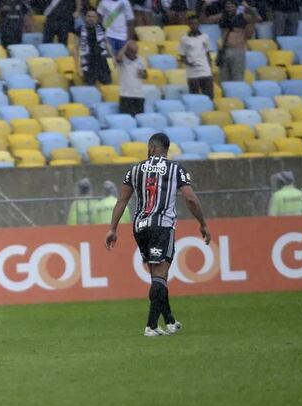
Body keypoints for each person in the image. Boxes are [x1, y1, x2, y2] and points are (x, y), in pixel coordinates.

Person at [105, 133, 211, 336]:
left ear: (152, 148)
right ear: (165, 149)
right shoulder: (176, 169)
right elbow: (190, 199)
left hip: (140, 227)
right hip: (162, 225)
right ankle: (151, 326)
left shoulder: (134, 170)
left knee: (157, 275)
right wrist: (203, 224)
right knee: (161, 275)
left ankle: (169, 321)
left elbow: (122, 200)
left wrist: (113, 229)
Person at [202, 0, 260, 83]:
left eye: (232, 6)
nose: (229, 9)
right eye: (227, 7)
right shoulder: (222, 16)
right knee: (223, 79)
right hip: (224, 50)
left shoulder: (242, 16)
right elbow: (204, 20)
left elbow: (258, 18)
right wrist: (204, 6)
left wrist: (248, 7)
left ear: (236, 7)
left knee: (237, 78)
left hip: (238, 50)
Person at [179, 14, 213, 99]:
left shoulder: (205, 37)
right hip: (192, 73)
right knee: (194, 97)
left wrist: (209, 68)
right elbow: (182, 57)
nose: (194, 25)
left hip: (205, 71)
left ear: (199, 24)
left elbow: (208, 53)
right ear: (189, 25)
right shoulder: (184, 39)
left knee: (209, 96)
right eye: (192, 23)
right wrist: (189, 63)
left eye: (196, 23)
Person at [75, 8, 112, 86]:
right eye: (89, 16)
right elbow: (76, 49)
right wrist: (78, 67)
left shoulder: (101, 28)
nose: (91, 18)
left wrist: (113, 58)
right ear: (85, 17)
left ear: (97, 18)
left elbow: (107, 43)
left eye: (93, 16)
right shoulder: (80, 30)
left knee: (107, 85)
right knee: (90, 87)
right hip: (88, 62)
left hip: (102, 62)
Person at [115, 40, 146, 116]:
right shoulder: (123, 59)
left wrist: (142, 72)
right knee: (126, 120)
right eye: (132, 51)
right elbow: (118, 58)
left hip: (139, 95)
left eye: (136, 51)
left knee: (139, 120)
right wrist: (125, 45)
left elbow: (144, 76)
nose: (134, 54)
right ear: (127, 51)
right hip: (126, 96)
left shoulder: (140, 59)